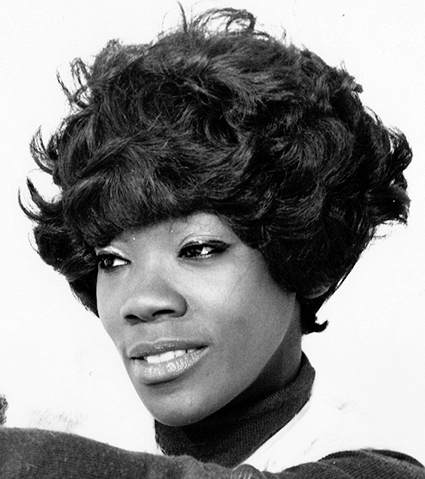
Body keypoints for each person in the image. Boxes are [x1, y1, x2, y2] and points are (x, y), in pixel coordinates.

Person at [1, 7, 423, 478]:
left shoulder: (374, 466)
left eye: (198, 249)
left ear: (302, 254)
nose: (141, 301)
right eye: (113, 260)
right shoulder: (60, 422)